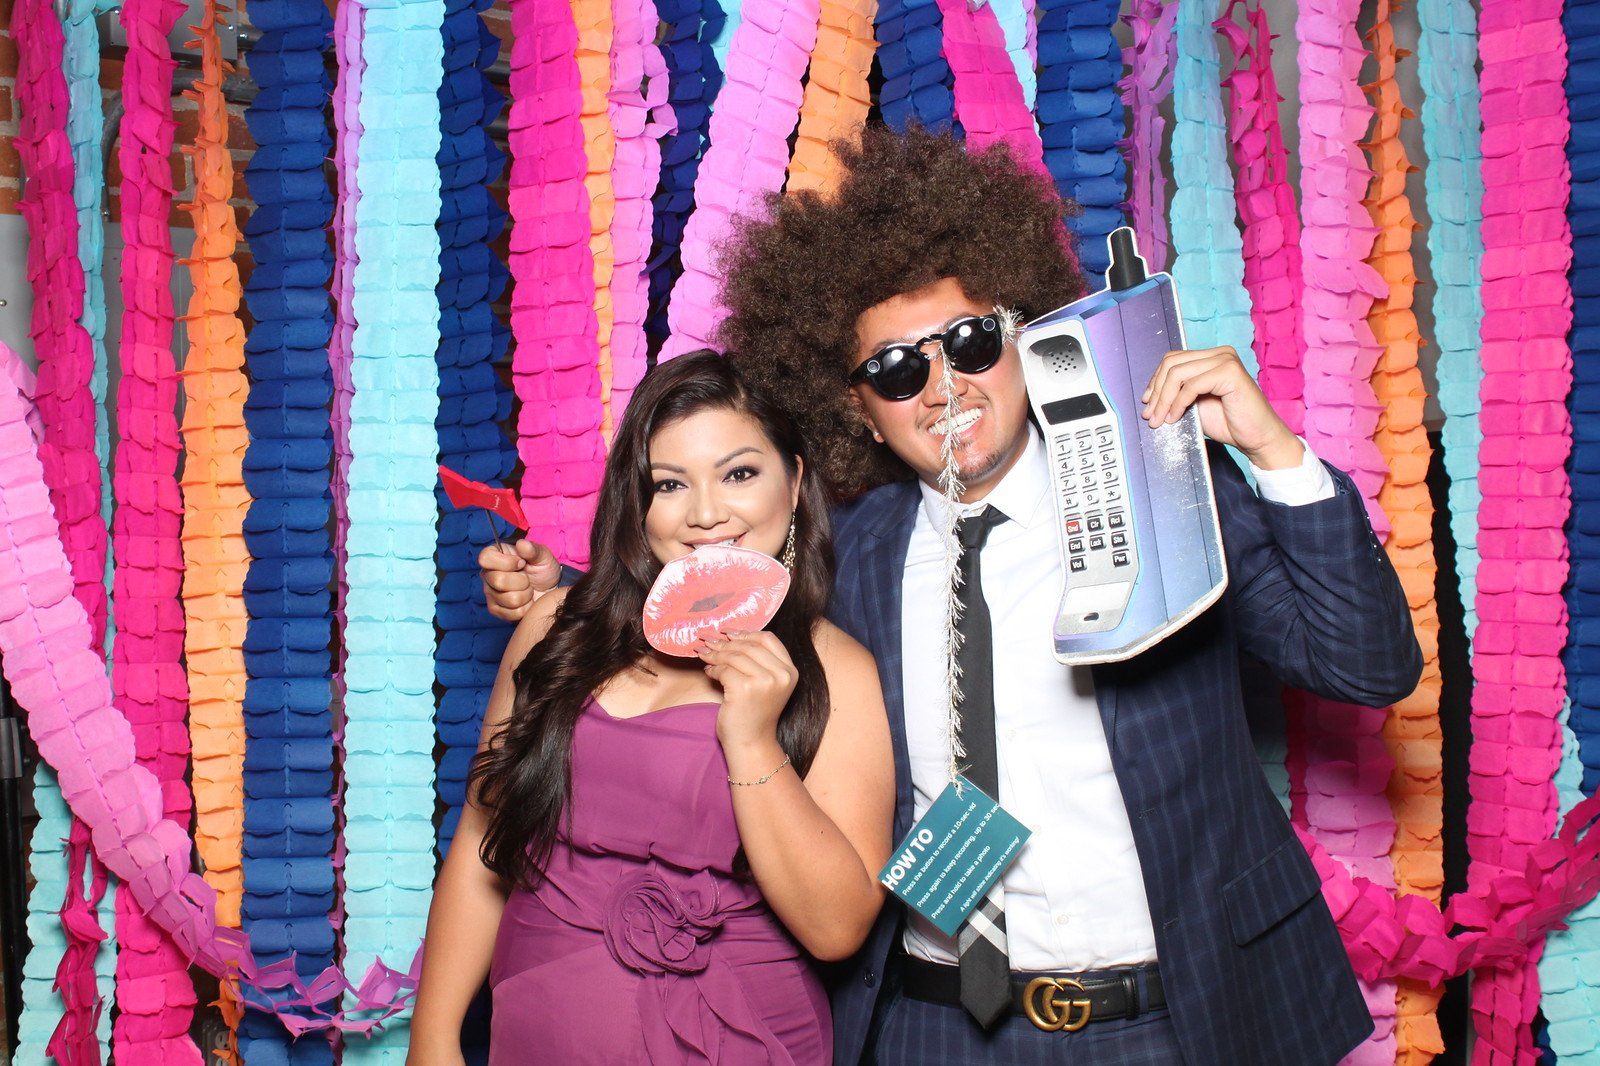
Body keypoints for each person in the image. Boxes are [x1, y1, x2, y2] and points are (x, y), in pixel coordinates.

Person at [480, 127, 1423, 1065]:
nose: (943, 386)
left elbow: (1367, 665)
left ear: (1024, 337)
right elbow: (706, 581)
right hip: (936, 1024)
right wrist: (557, 593)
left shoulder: (1161, 487)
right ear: (858, 407)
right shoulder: (850, 551)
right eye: (896, 367)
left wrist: (1273, 455)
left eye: (970, 342)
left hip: (1172, 1017)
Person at [411, 352, 894, 1065]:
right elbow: (485, 842)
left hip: (737, 1037)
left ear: (793, 483)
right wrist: (434, 1036)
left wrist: (754, 741)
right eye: (669, 483)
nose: (704, 513)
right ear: (638, 504)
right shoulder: (555, 629)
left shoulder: (835, 669)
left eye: (739, 473)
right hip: (536, 1026)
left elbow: (837, 929)